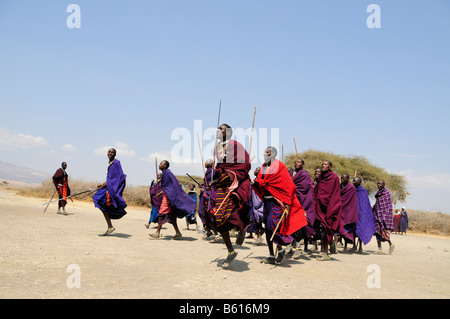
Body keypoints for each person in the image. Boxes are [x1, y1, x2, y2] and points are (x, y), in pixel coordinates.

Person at [252, 147, 308, 264]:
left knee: (274, 227)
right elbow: (261, 182)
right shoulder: (263, 166)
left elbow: (289, 186)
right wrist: (253, 182)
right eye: (264, 151)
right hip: (267, 202)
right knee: (267, 228)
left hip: (278, 202)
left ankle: (280, 248)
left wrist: (287, 203)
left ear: (273, 154)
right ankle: (271, 255)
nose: (265, 153)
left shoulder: (280, 166)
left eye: (267, 152)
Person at [209, 124, 252, 269]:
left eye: (220, 129)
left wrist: (231, 175)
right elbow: (220, 167)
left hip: (236, 184)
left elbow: (245, 165)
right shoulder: (217, 148)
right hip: (222, 186)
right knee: (218, 219)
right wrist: (214, 181)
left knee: (233, 214)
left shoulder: (236, 145)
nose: (217, 131)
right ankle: (231, 251)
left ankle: (242, 228)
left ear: (227, 132)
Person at [149, 160, 196, 239]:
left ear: (165, 166)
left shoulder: (168, 173)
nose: (159, 165)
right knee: (172, 216)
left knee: (162, 213)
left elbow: (172, 187)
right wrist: (160, 193)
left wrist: (168, 198)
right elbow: (166, 187)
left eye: (161, 164)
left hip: (168, 197)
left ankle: (157, 233)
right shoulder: (165, 174)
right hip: (167, 196)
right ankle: (178, 233)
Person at [93, 148, 127, 236]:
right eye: (109, 152)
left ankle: (110, 226)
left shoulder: (116, 163)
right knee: (100, 202)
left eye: (112, 152)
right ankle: (110, 226)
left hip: (112, 188)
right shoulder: (110, 164)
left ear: (115, 154)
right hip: (109, 186)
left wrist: (108, 184)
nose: (110, 153)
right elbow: (111, 177)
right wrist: (102, 184)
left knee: (98, 198)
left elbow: (119, 177)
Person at [313, 160, 342, 261]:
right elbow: (317, 191)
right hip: (320, 207)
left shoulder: (334, 177)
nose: (323, 166)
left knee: (326, 230)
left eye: (325, 164)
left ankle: (326, 253)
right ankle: (324, 252)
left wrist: (333, 207)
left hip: (329, 207)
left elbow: (336, 193)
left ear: (330, 167)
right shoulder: (321, 177)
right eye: (322, 164)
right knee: (321, 229)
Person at [289, 158, 315, 258]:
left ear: (303, 164)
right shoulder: (291, 173)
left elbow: (305, 189)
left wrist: (294, 188)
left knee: (299, 226)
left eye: (299, 162)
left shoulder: (305, 175)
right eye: (295, 162)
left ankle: (298, 248)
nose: (296, 163)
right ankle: (290, 246)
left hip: (301, 203)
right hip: (291, 202)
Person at [352, 177, 376, 253]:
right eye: (353, 181)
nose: (353, 182)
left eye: (355, 181)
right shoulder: (352, 190)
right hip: (354, 213)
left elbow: (364, 204)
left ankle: (360, 247)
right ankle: (353, 246)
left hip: (362, 214)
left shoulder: (363, 191)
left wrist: (362, 214)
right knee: (353, 230)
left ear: (359, 182)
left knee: (361, 230)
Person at [198, 159, 219, 240]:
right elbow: (207, 183)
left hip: (210, 195)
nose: (205, 164)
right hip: (205, 195)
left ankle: (216, 234)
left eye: (206, 162)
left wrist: (209, 187)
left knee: (209, 213)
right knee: (204, 213)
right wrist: (203, 185)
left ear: (211, 164)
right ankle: (208, 231)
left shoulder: (214, 172)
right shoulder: (207, 172)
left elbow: (217, 180)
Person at [373, 180, 395, 254]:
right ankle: (379, 249)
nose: (378, 185)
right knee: (377, 232)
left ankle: (391, 244)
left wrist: (384, 216)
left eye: (380, 183)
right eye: (378, 183)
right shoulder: (378, 194)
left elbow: (387, 206)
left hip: (383, 216)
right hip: (377, 215)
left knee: (384, 232)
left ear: (383, 185)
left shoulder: (386, 193)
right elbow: (377, 204)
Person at [338, 174, 359, 250]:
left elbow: (352, 202)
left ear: (347, 179)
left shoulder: (351, 188)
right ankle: (340, 245)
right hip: (340, 210)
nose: (342, 179)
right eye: (341, 178)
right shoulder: (339, 186)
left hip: (348, 212)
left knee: (348, 229)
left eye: (344, 178)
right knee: (340, 229)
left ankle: (348, 246)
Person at [247, 167, 264, 245]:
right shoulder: (253, 180)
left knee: (265, 220)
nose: (254, 171)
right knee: (256, 221)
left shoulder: (261, 181)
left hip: (262, 203)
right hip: (254, 204)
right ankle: (258, 236)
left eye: (256, 170)